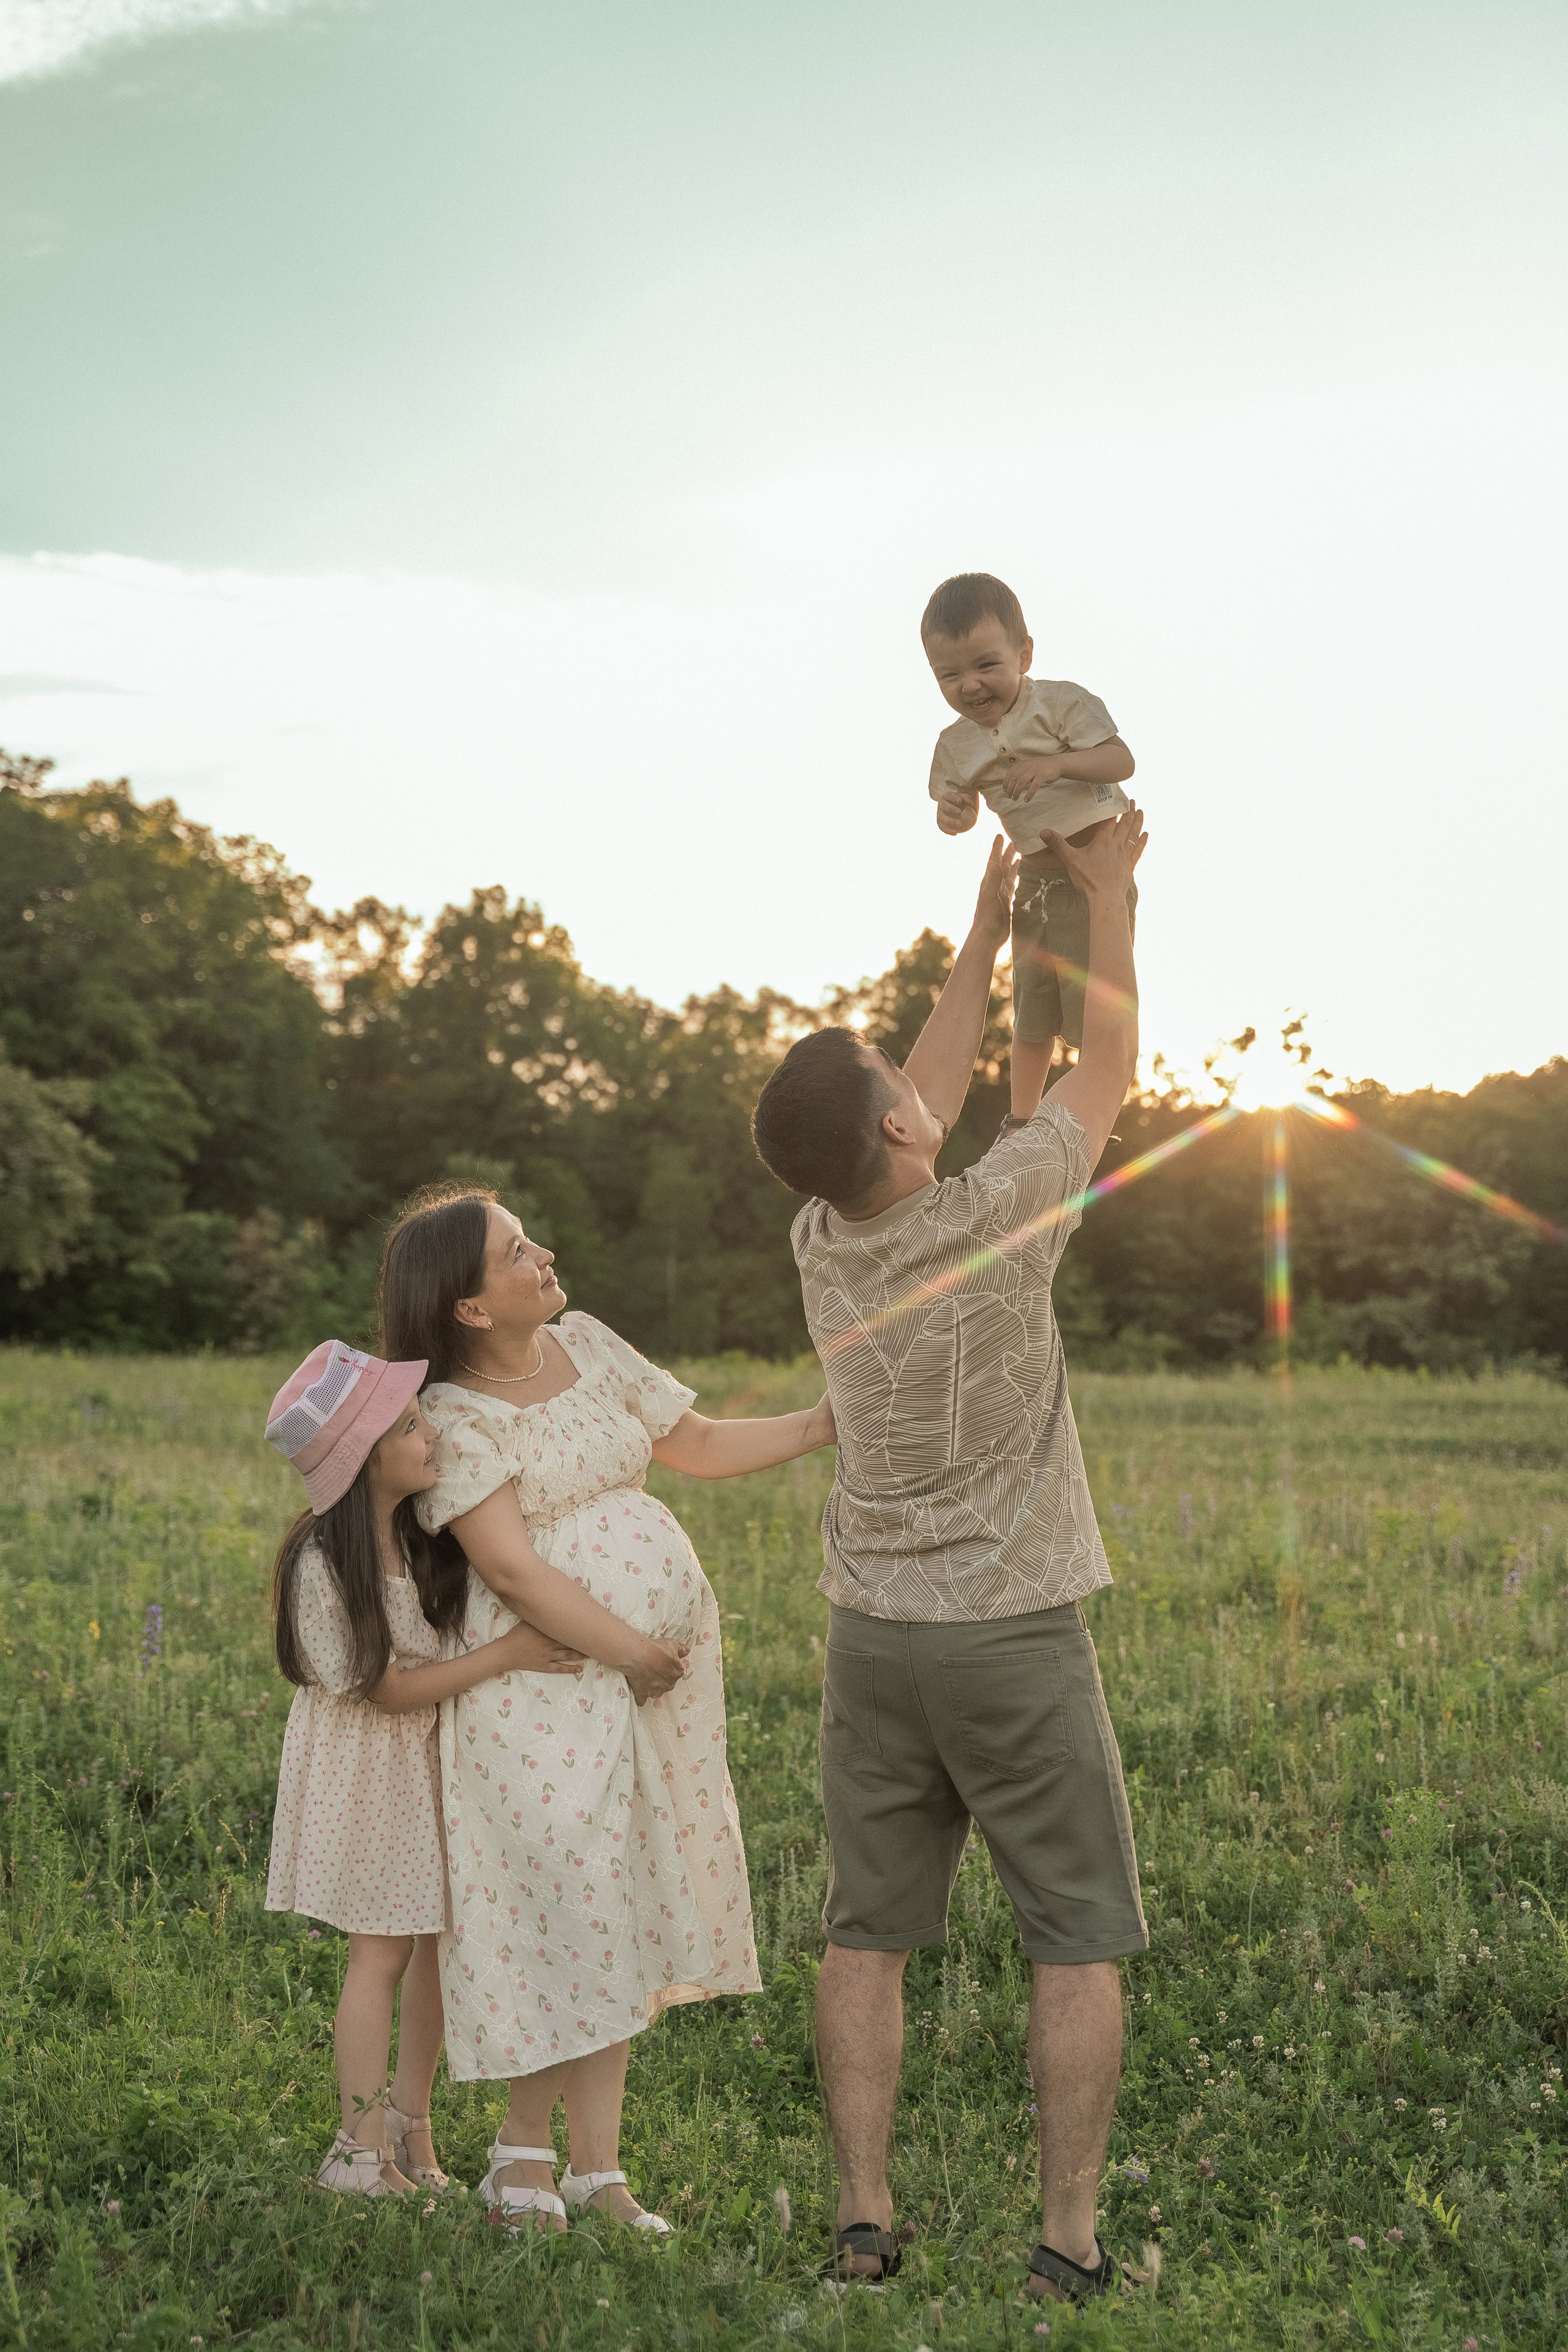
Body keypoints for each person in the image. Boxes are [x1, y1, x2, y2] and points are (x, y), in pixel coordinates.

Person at [750, 812, 1149, 2305]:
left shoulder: (818, 1236)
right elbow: (1106, 1065)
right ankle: (1065, 2245)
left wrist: (983, 926)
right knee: (1073, 1939)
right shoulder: (1001, 1215)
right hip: (1009, 1635)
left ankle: (863, 2220)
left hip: (871, 1639)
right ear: (903, 1133)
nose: (912, 1096)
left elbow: (905, 1097)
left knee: (868, 1931)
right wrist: (1103, 901)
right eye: (897, 1095)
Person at [378, 1186, 837, 2237]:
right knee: (558, 1899)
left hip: (641, 1687)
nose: (545, 1252)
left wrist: (818, 1424)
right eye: (514, 1252)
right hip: (538, 1683)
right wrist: (629, 1649)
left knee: (618, 1894)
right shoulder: (452, 1415)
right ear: (470, 1310)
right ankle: (520, 2160)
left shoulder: (587, 1342)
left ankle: (598, 2170)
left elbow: (701, 1444)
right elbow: (513, 1568)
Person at [265, 1340, 581, 2198]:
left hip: (419, 1769)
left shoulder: (411, 1537)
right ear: (368, 1461)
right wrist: (512, 1652)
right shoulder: (327, 1562)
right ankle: (357, 2151)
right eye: (409, 1425)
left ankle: (408, 2127)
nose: (429, 1430)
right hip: (368, 1773)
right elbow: (390, 1691)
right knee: (380, 1955)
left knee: (431, 1950)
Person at [923, 571, 1137, 1129]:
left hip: (1096, 873)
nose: (969, 685)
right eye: (950, 674)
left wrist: (1057, 764)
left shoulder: (1062, 705)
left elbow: (1121, 762)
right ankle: (1021, 1121)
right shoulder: (954, 746)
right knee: (1032, 1008)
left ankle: (1090, 1117)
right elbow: (960, 813)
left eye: (985, 665)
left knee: (1096, 1006)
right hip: (1036, 883)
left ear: (1024, 654)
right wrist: (954, 815)